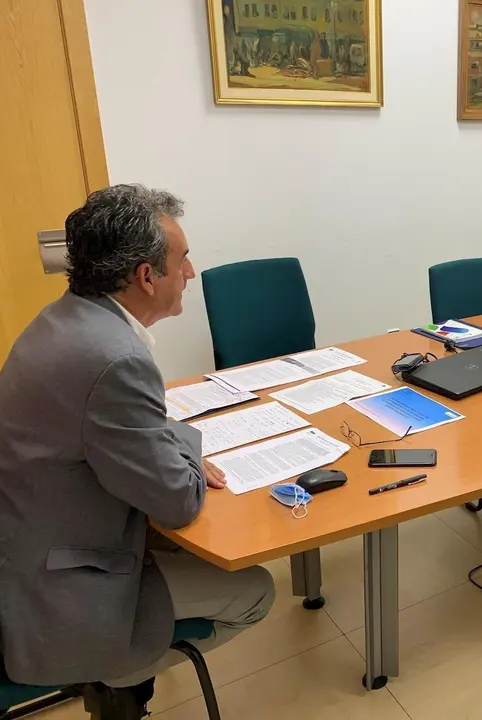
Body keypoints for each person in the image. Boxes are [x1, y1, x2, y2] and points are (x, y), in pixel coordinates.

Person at [0, 185, 276, 718]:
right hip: (54, 589)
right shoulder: (115, 359)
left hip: (28, 538)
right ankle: (116, 674)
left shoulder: (62, 320)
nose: (191, 274)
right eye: (183, 261)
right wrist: (189, 446)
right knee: (256, 590)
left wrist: (163, 437)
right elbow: (177, 500)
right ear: (147, 277)